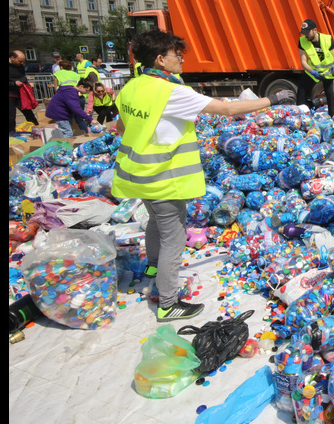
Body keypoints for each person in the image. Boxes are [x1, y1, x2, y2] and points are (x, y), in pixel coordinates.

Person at [112, 29, 293, 322]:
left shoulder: (133, 87)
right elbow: (226, 108)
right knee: (174, 237)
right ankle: (168, 303)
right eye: (176, 54)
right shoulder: (171, 92)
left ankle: (153, 269)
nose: (181, 59)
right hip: (163, 177)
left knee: (156, 223)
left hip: (137, 174)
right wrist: (270, 100)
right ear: (161, 59)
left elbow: (121, 127)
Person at [297, 18, 334, 116]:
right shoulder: (302, 41)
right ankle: (301, 117)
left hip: (327, 72)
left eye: (308, 32)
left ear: (315, 30)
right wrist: (312, 71)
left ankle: (333, 117)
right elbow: (303, 61)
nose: (306, 35)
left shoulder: (326, 39)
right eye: (304, 33)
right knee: (301, 92)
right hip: (312, 72)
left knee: (331, 96)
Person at [9, 50, 40, 134]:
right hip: (10, 94)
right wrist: (13, 83)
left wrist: (27, 85)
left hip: (20, 94)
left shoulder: (20, 66)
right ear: (12, 58)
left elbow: (23, 77)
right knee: (11, 117)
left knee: (29, 113)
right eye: (20, 61)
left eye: (23, 61)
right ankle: (11, 134)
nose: (22, 63)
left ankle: (38, 130)